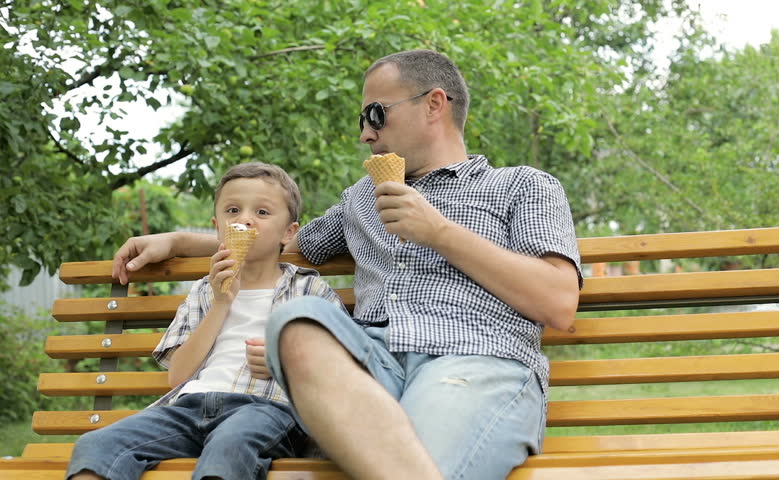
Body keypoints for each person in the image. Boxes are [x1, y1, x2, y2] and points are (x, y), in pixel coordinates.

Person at [112, 49, 582, 480]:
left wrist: (437, 231)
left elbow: (559, 302)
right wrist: (176, 239)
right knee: (296, 319)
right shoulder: (362, 199)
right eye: (363, 119)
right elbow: (278, 239)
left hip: (469, 358)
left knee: (416, 462)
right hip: (366, 364)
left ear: (434, 104)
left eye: (376, 114)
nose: (365, 133)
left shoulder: (523, 186)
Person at [69, 162, 345, 480]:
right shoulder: (204, 289)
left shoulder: (309, 290)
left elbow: (335, 367)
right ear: (217, 226)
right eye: (232, 210)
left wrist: (283, 363)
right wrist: (221, 302)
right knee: (97, 444)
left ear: (289, 232)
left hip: (263, 409)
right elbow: (178, 376)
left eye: (262, 212)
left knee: (230, 444)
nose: (244, 219)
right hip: (190, 407)